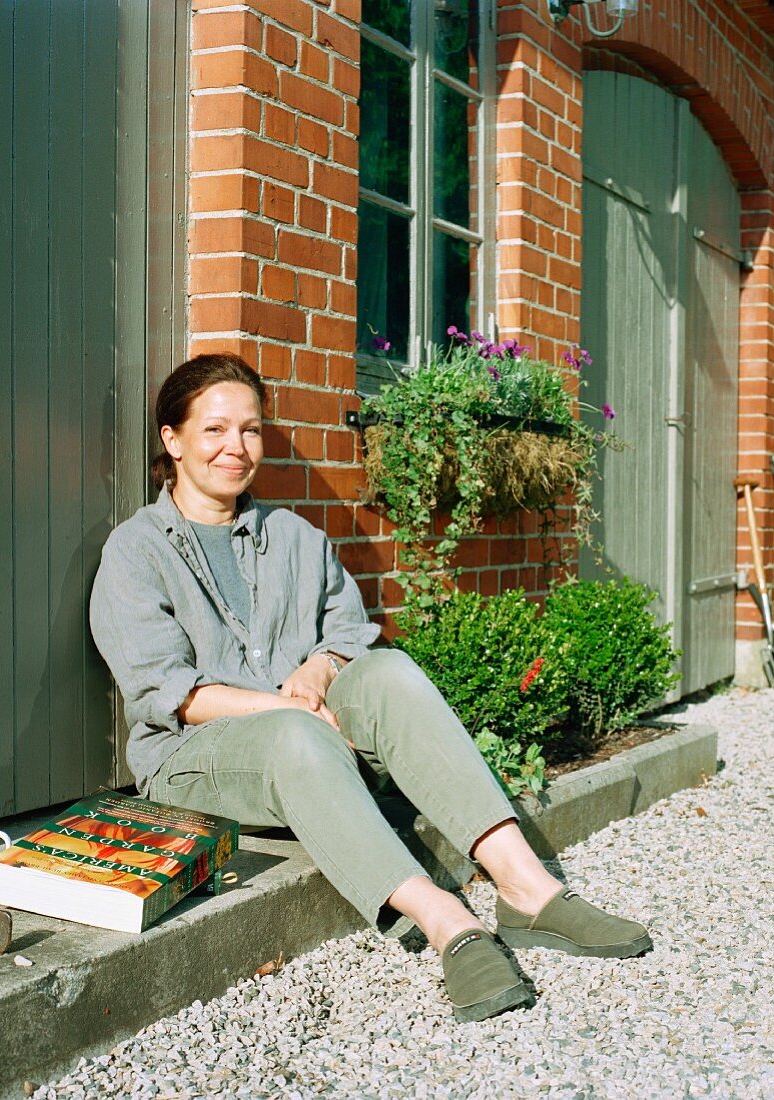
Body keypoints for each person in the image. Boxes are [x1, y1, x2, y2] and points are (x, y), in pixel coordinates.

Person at [90, 353, 650, 1022]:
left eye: (250, 430)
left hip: (308, 739)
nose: (235, 449)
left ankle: (526, 888)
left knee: (388, 670)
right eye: (214, 431)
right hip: (193, 764)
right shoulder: (135, 552)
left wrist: (321, 668)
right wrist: (286, 706)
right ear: (172, 440)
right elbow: (172, 696)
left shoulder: (294, 537)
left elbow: (349, 631)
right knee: (294, 732)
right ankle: (446, 922)